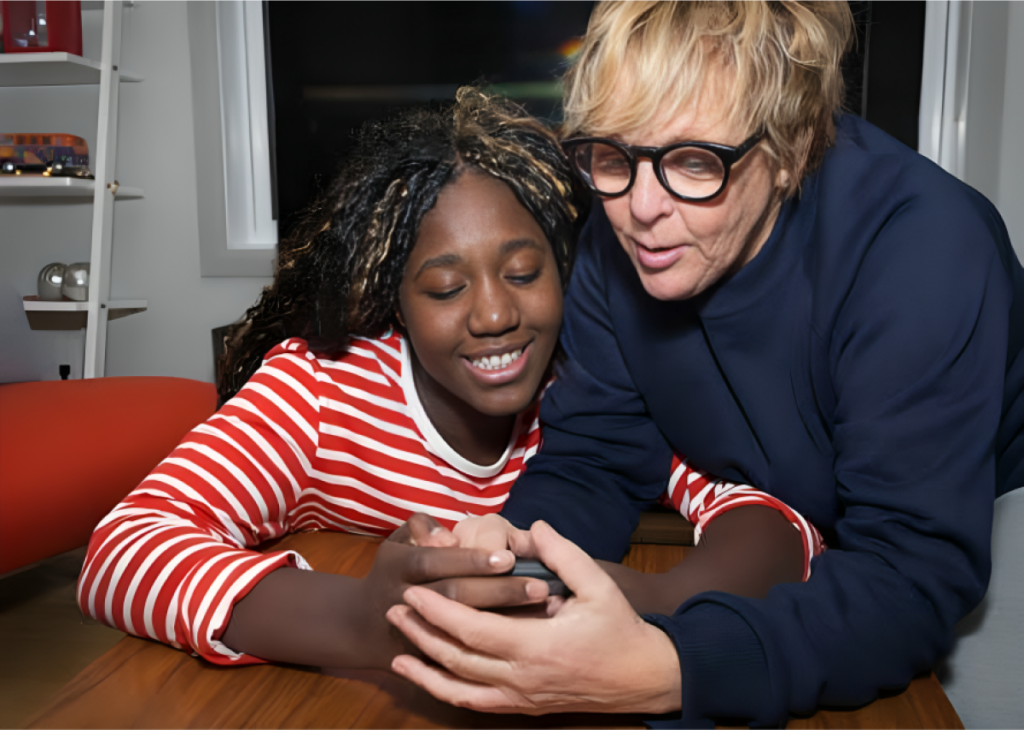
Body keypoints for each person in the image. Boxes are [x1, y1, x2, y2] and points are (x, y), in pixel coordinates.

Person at [383, 2, 1024, 728]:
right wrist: (520, 552)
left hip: (981, 545)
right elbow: (595, 457)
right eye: (613, 154)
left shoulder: (925, 253)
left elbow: (911, 576)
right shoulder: (612, 236)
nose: (640, 210)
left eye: (694, 161)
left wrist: (671, 669)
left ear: (790, 148)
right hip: (798, 549)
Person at [77, 88, 821, 673]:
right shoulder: (318, 393)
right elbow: (124, 550)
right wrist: (362, 620)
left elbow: (771, 512)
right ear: (392, 299)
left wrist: (648, 602)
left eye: (526, 273)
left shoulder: (601, 385)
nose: (495, 313)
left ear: (572, 275)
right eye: (443, 288)